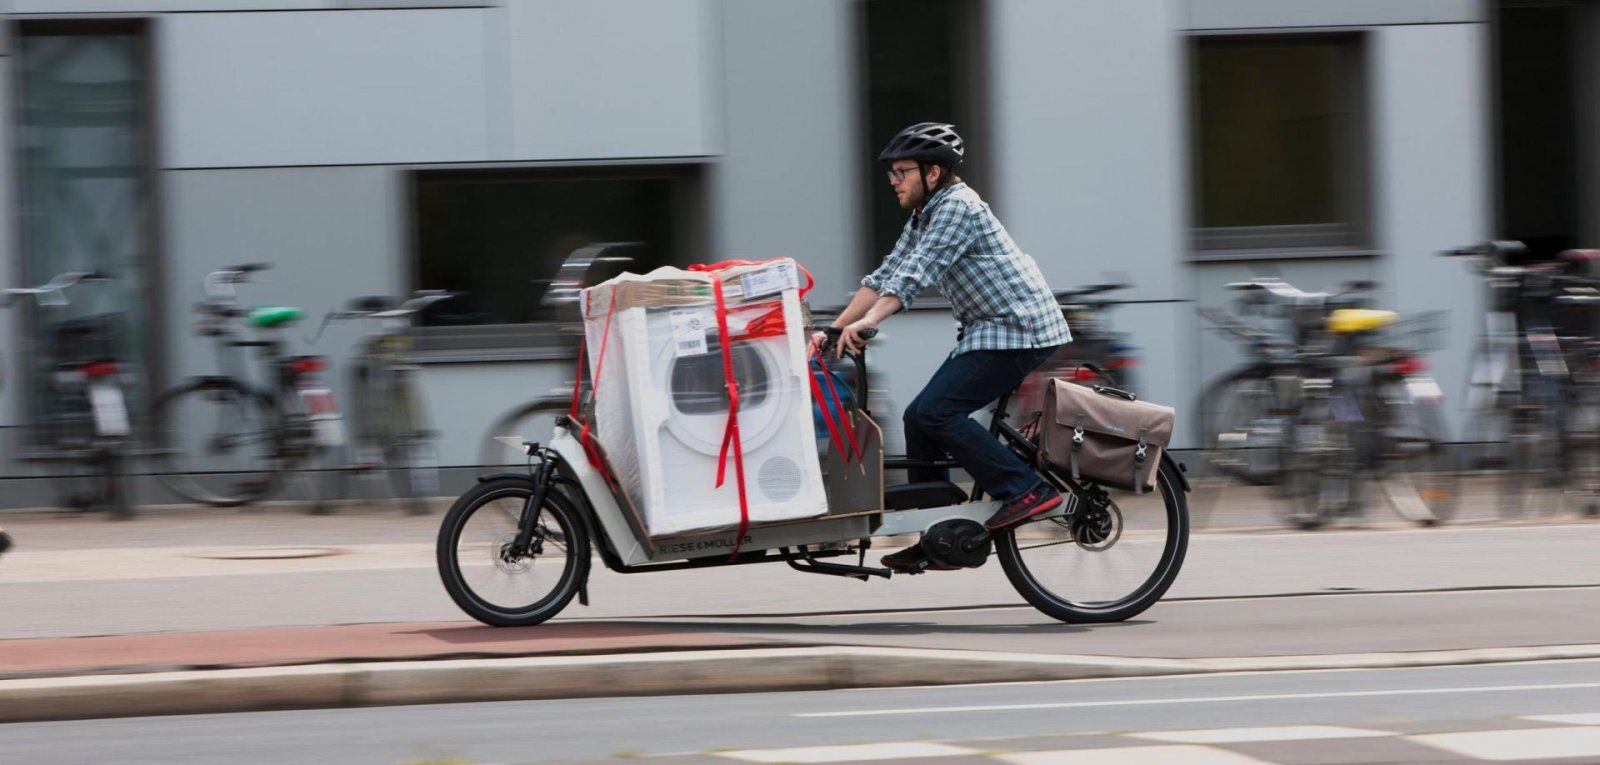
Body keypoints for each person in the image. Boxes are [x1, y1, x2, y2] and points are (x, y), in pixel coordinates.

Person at [812, 122, 1072, 573]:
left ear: (933, 173)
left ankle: (1026, 489)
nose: (894, 182)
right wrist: (833, 330)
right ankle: (939, 531)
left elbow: (917, 274)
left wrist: (871, 322)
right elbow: (888, 273)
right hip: (987, 330)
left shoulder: (958, 207)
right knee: (920, 416)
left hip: (1018, 329)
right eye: (891, 173)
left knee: (937, 412)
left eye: (902, 172)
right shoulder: (925, 214)